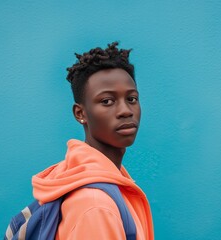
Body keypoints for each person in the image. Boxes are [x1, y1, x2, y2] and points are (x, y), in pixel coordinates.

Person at [32, 42, 154, 239]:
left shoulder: (86, 177)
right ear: (81, 113)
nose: (125, 111)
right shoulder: (96, 206)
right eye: (107, 101)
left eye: (131, 99)